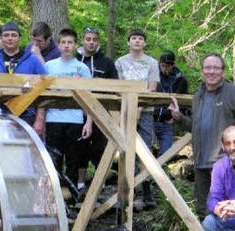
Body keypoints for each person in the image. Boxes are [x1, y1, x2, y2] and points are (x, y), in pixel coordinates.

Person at [169, 53, 235, 218]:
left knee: (228, 210)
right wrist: (179, 117)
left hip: (226, 165)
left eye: (216, 68)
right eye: (208, 68)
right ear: (202, 71)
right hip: (201, 163)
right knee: (203, 210)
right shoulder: (198, 95)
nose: (212, 71)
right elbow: (197, 127)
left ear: (223, 71)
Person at [43, 28, 92, 192]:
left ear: (75, 45)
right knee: (54, 161)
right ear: (58, 44)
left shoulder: (82, 68)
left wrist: (89, 123)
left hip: (75, 120)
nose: (66, 46)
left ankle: (71, 198)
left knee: (73, 161)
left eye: (70, 43)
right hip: (53, 119)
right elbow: (42, 95)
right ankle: (55, 199)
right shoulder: (49, 66)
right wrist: (41, 119)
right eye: (63, 42)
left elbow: (89, 99)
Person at [115, 29, 159, 208]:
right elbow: (118, 87)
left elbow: (152, 87)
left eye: (141, 39)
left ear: (144, 43)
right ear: (128, 42)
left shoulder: (152, 62)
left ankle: (147, 193)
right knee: (124, 150)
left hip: (146, 111)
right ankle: (124, 193)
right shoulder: (120, 62)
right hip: (125, 110)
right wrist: (130, 107)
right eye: (134, 38)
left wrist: (139, 106)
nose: (137, 41)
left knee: (145, 151)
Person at [0, 22, 46, 134]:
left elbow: (44, 88)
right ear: (2, 38)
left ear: (19, 38)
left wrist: (40, 119)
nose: (10, 38)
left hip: (26, 114)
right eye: (6, 35)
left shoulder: (32, 59)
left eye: (13, 35)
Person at [76, 27, 117, 195]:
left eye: (94, 39)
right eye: (88, 39)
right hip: (78, 111)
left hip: (101, 111)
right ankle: (79, 185)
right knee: (79, 149)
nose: (91, 42)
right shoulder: (75, 60)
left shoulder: (106, 62)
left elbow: (115, 85)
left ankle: (100, 184)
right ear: (83, 40)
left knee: (100, 149)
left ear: (98, 41)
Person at [154, 50, 188, 154]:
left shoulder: (180, 79)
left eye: (167, 66)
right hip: (151, 119)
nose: (164, 69)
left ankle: (159, 169)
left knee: (166, 152)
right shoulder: (153, 75)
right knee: (146, 149)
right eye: (162, 66)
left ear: (172, 65)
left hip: (167, 121)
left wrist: (174, 117)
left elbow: (184, 101)